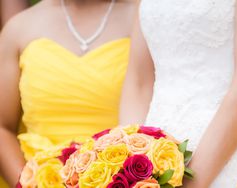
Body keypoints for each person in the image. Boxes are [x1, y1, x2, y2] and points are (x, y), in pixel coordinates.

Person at [120, 0, 237, 187]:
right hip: (154, 159)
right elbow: (139, 82)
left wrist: (192, 182)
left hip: (232, 151)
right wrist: (130, 162)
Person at [0, 0, 136, 187]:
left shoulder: (144, 17)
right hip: (39, 177)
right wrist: (27, 182)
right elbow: (2, 127)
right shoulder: (19, 28)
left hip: (120, 177)